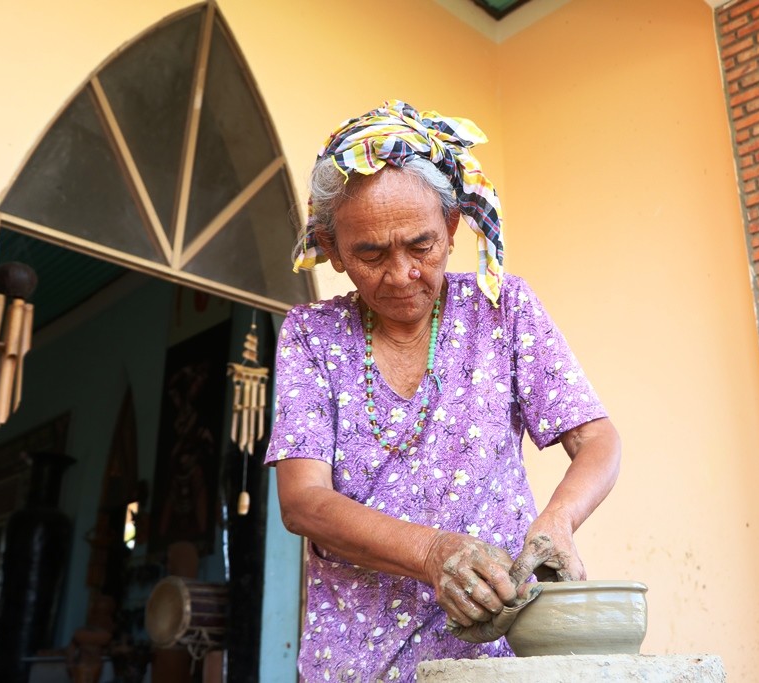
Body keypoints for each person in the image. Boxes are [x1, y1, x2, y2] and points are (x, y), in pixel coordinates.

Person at [265, 100, 620, 682]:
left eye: (421, 246)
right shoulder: (312, 335)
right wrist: (433, 554)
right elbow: (304, 501)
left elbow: (599, 440)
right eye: (370, 254)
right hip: (355, 661)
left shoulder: (502, 309)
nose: (401, 273)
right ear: (331, 251)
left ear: (452, 228)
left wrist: (558, 519)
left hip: (495, 659)